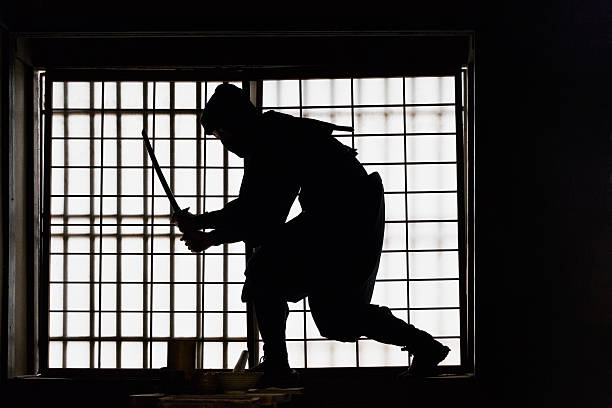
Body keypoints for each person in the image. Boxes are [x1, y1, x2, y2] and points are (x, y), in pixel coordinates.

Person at [173, 83, 450, 387]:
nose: (224, 143)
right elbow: (261, 214)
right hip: (341, 215)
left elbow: (261, 213)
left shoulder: (273, 138)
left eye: (222, 133)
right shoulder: (269, 136)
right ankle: (426, 347)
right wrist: (210, 234)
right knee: (337, 318)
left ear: (237, 122)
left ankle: (277, 364)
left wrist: (203, 224)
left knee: (264, 271)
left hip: (343, 214)